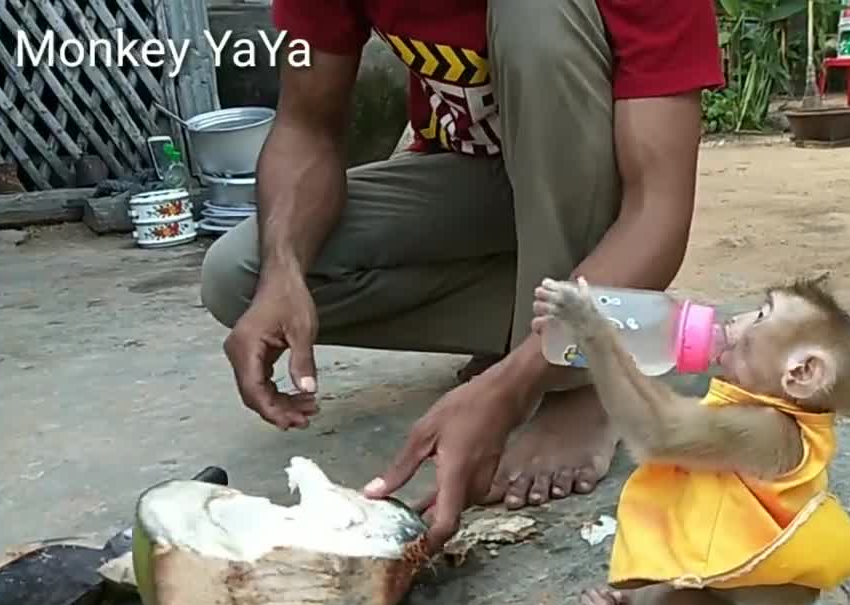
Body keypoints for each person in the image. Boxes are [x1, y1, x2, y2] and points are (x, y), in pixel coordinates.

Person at [199, 0, 723, 553]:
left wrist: (509, 389)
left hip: (599, 190)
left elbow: (655, 210)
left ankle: (582, 377)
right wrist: (283, 269)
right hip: (481, 187)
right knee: (241, 273)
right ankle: (592, 322)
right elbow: (306, 127)